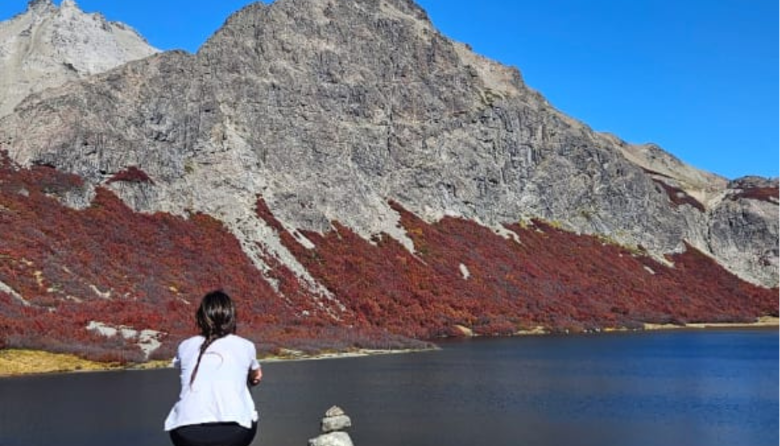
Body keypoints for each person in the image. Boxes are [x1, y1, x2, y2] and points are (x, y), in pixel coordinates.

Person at [164, 290, 263, 446]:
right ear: (231, 318)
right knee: (250, 414)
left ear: (201, 318)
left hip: (185, 432)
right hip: (234, 433)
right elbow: (256, 376)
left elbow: (181, 366)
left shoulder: (185, 346)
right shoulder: (246, 346)